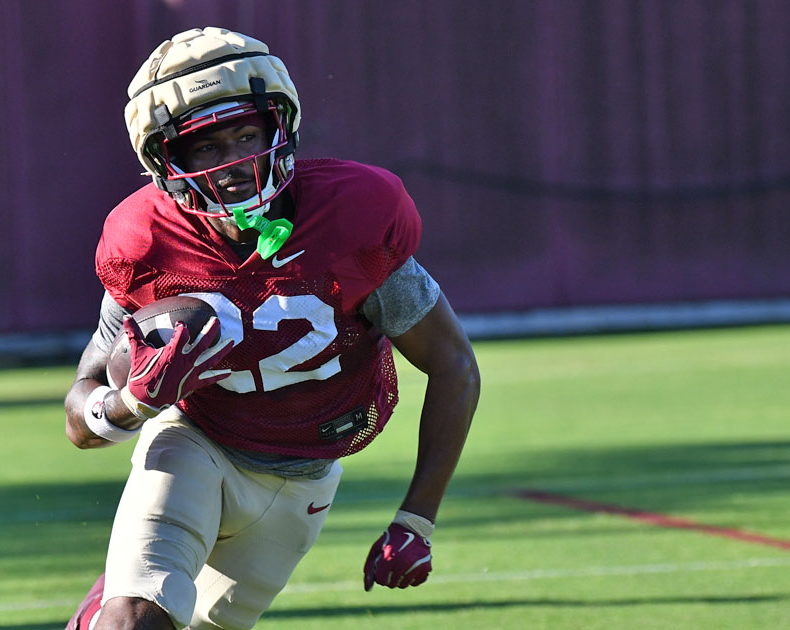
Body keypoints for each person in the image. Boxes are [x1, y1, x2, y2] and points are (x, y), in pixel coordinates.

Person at [63, 27, 479, 630]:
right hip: (195, 443)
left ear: (279, 128)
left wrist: (417, 518)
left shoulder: (353, 219)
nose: (233, 162)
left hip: (302, 479)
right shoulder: (145, 242)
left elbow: (452, 364)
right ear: (166, 163)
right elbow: (80, 418)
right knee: (134, 618)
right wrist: (130, 403)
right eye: (206, 147)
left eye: (245, 135)